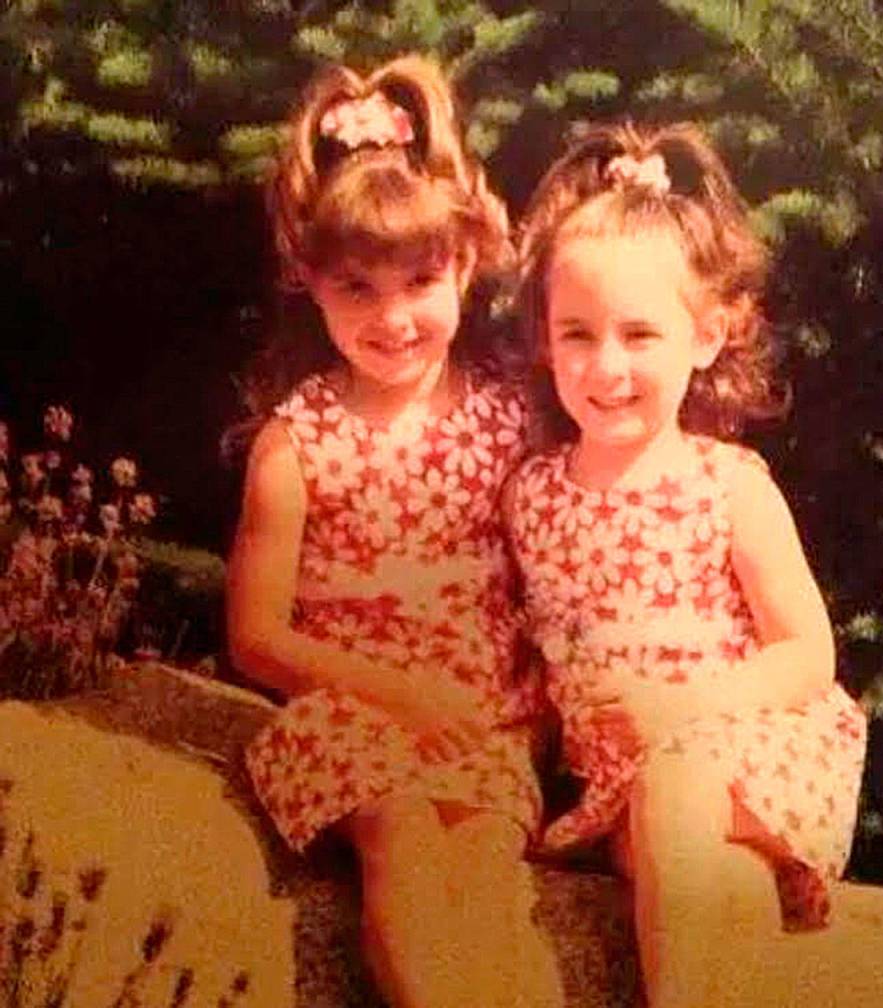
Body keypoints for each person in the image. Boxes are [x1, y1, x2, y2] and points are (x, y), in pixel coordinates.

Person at [505, 121, 883, 1007]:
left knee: (683, 803)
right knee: (694, 860)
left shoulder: (728, 484)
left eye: (640, 333)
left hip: (752, 744)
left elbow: (806, 654)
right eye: (578, 334)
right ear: (545, 339)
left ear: (707, 336)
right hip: (625, 789)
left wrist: (686, 706)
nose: (607, 366)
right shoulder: (532, 496)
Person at [226, 55, 563, 1008]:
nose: (395, 317)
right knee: (406, 832)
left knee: (489, 862)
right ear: (311, 282)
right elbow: (253, 637)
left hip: (481, 727)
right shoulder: (298, 446)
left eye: (419, 280)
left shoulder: (506, 420)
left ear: (463, 262)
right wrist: (400, 694)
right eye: (358, 290)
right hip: (345, 716)